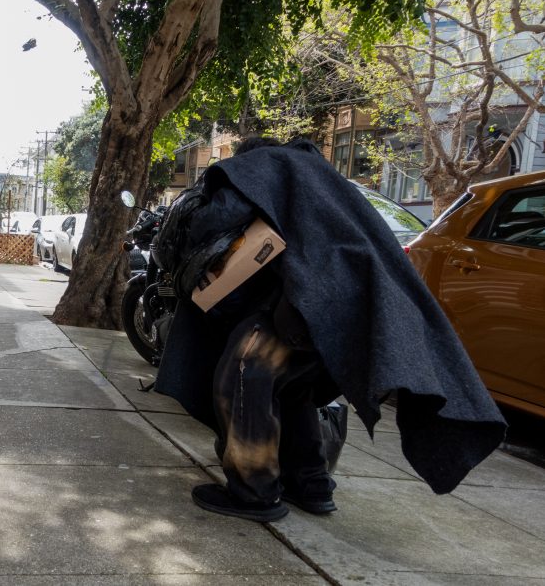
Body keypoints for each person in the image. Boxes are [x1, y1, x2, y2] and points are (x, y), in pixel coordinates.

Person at [152, 137, 506, 523]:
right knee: (294, 390)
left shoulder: (260, 166)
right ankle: (311, 485)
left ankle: (254, 493)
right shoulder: (320, 176)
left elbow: (215, 219)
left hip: (307, 302)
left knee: (241, 374)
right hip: (341, 308)